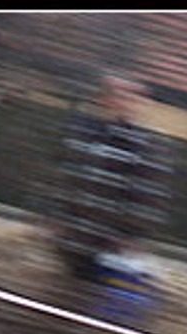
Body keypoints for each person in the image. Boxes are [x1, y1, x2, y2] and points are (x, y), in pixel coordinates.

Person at [51, 74, 171, 320]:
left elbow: (148, 196)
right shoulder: (82, 133)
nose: (124, 103)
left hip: (110, 244)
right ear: (103, 99)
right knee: (68, 299)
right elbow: (65, 177)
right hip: (74, 240)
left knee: (104, 308)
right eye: (118, 96)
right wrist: (56, 218)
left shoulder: (146, 145)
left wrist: (134, 235)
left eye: (131, 97)